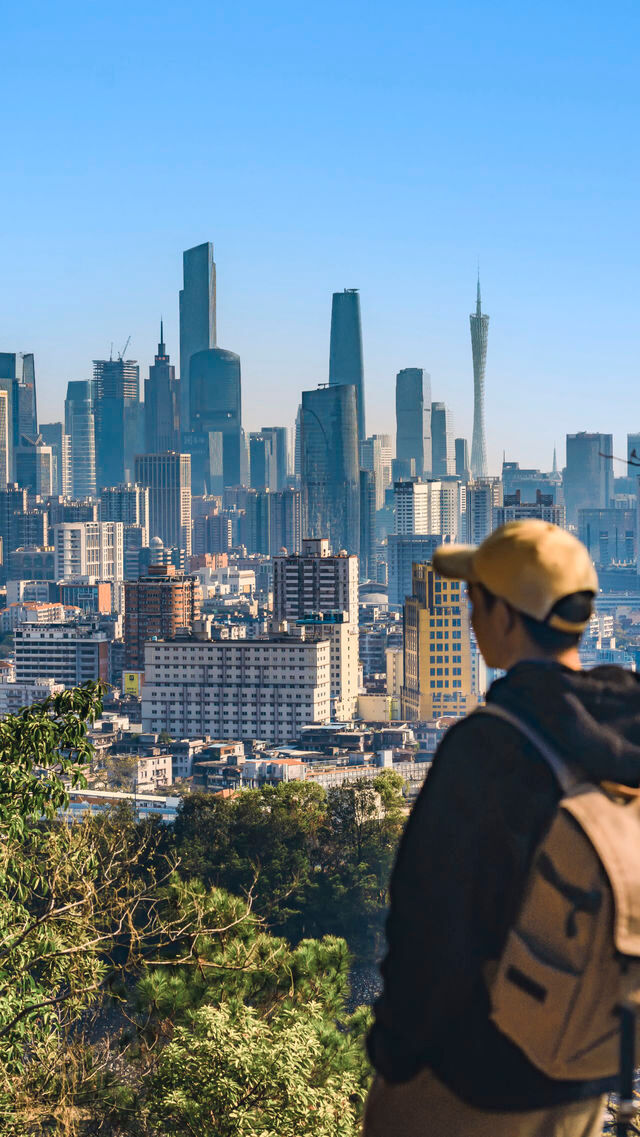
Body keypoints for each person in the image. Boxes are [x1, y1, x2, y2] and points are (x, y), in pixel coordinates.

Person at [364, 519, 640, 1137]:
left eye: (476, 599)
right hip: (587, 1072)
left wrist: (397, 1056)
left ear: (508, 617)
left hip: (473, 1080)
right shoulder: (627, 727)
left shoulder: (489, 749)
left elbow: (425, 925)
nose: (467, 615)